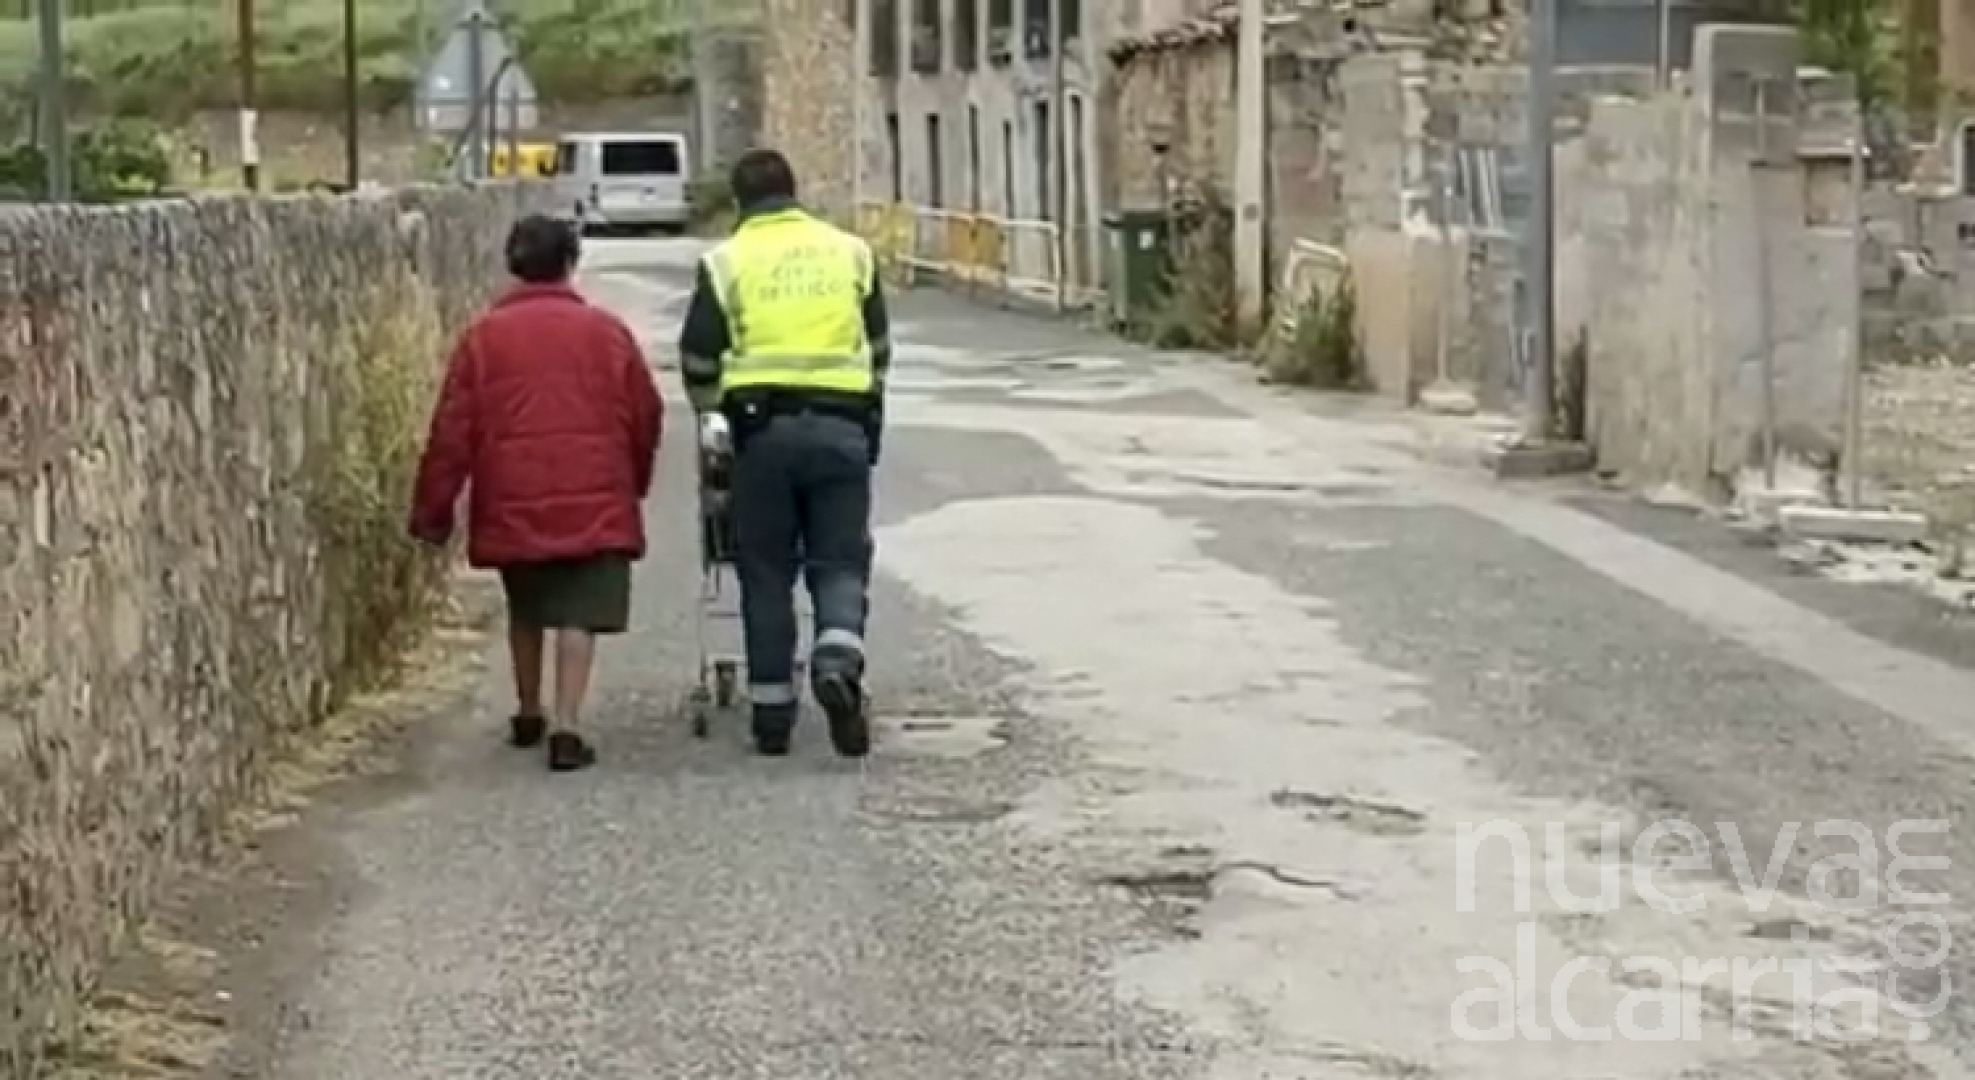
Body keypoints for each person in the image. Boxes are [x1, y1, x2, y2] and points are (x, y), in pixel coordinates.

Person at [410, 213, 663, 772]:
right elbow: (646, 414)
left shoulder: (483, 338)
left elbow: (452, 430)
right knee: (579, 613)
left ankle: (528, 710)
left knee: (526, 603)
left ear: (515, 265)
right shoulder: (607, 333)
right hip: (595, 492)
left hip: (512, 493)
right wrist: (633, 481)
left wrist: (433, 510)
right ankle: (567, 725)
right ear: (570, 263)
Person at [677, 148, 890, 759]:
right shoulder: (851, 252)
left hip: (761, 436)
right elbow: (878, 349)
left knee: (765, 569)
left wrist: (713, 420)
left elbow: (697, 360)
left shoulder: (726, 262)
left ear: (739, 202)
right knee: (840, 558)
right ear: (795, 191)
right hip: (843, 427)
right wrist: (867, 419)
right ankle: (838, 656)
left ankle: (772, 715)